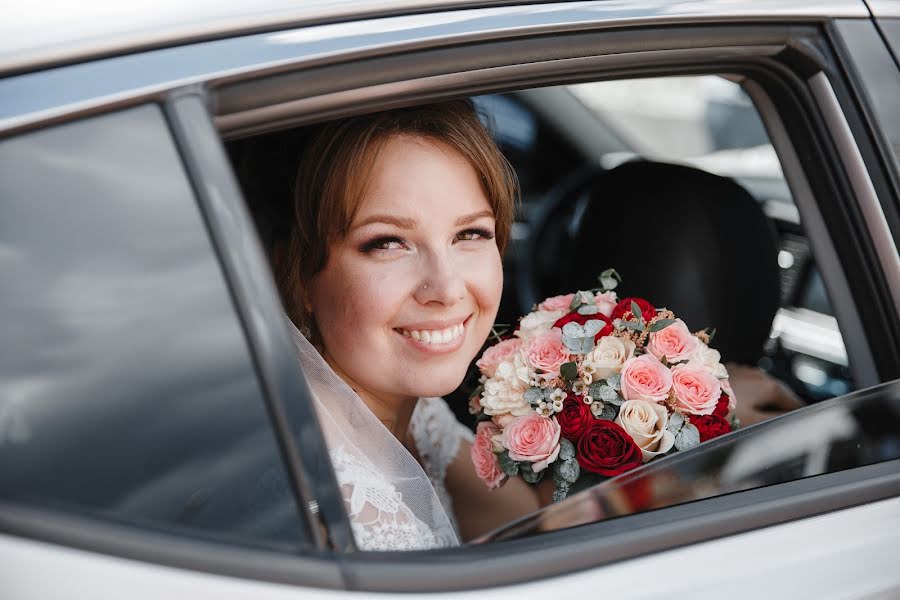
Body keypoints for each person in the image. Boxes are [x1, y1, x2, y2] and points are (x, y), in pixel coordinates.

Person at [272, 100, 541, 550]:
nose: (447, 288)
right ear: (301, 278)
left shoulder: (404, 413)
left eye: (470, 234)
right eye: (388, 243)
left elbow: (529, 522)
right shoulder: (339, 510)